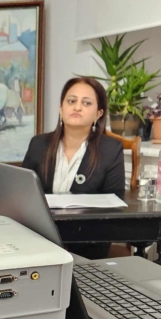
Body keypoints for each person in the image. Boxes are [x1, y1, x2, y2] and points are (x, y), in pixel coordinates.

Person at [22, 77, 125, 259]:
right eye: (71, 101)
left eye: (86, 103)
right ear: (61, 109)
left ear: (98, 114)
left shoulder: (111, 150)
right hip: (40, 241)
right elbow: (23, 195)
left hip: (88, 244)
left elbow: (114, 206)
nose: (77, 107)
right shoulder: (38, 144)